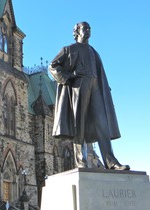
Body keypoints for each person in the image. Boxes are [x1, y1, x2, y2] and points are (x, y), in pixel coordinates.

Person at [49, 21, 130, 170]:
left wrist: (105, 89)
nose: (87, 30)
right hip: (78, 87)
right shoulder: (69, 49)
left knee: (102, 124)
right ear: (77, 32)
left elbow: (101, 74)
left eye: (89, 28)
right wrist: (69, 75)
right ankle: (81, 161)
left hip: (95, 89)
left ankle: (111, 161)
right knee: (78, 125)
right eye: (84, 28)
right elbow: (53, 66)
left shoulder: (94, 52)